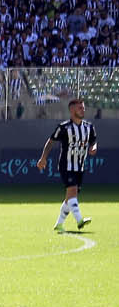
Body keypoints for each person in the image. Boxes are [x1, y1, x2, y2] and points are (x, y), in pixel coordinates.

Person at [37, 97, 98, 232]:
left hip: (80, 167)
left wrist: (94, 147)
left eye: (83, 107)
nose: (83, 110)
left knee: (69, 198)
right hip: (66, 165)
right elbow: (51, 141)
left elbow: (93, 141)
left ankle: (59, 224)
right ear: (72, 110)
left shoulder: (89, 127)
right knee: (72, 193)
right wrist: (43, 158)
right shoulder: (64, 128)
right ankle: (79, 220)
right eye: (79, 108)